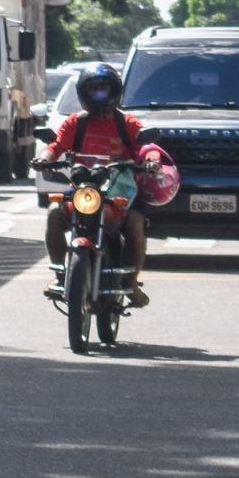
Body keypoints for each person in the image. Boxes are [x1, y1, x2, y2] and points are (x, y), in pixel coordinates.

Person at [41, 61, 154, 307]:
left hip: (119, 190)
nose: (100, 94)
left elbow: (147, 147)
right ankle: (60, 275)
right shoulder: (75, 123)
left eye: (104, 89)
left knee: (135, 222)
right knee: (53, 214)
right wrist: (44, 159)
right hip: (84, 188)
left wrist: (151, 161)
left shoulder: (127, 123)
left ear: (114, 91)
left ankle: (131, 283)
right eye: (94, 89)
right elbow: (56, 146)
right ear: (84, 93)